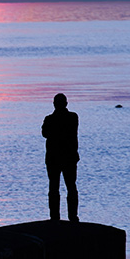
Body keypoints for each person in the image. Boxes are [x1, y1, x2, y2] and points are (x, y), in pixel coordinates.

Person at [41, 93, 79, 221]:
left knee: (55, 187)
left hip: (55, 158)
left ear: (54, 104)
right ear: (66, 104)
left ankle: (55, 217)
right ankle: (72, 217)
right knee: (70, 187)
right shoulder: (73, 117)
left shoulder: (50, 119)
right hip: (68, 158)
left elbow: (45, 133)